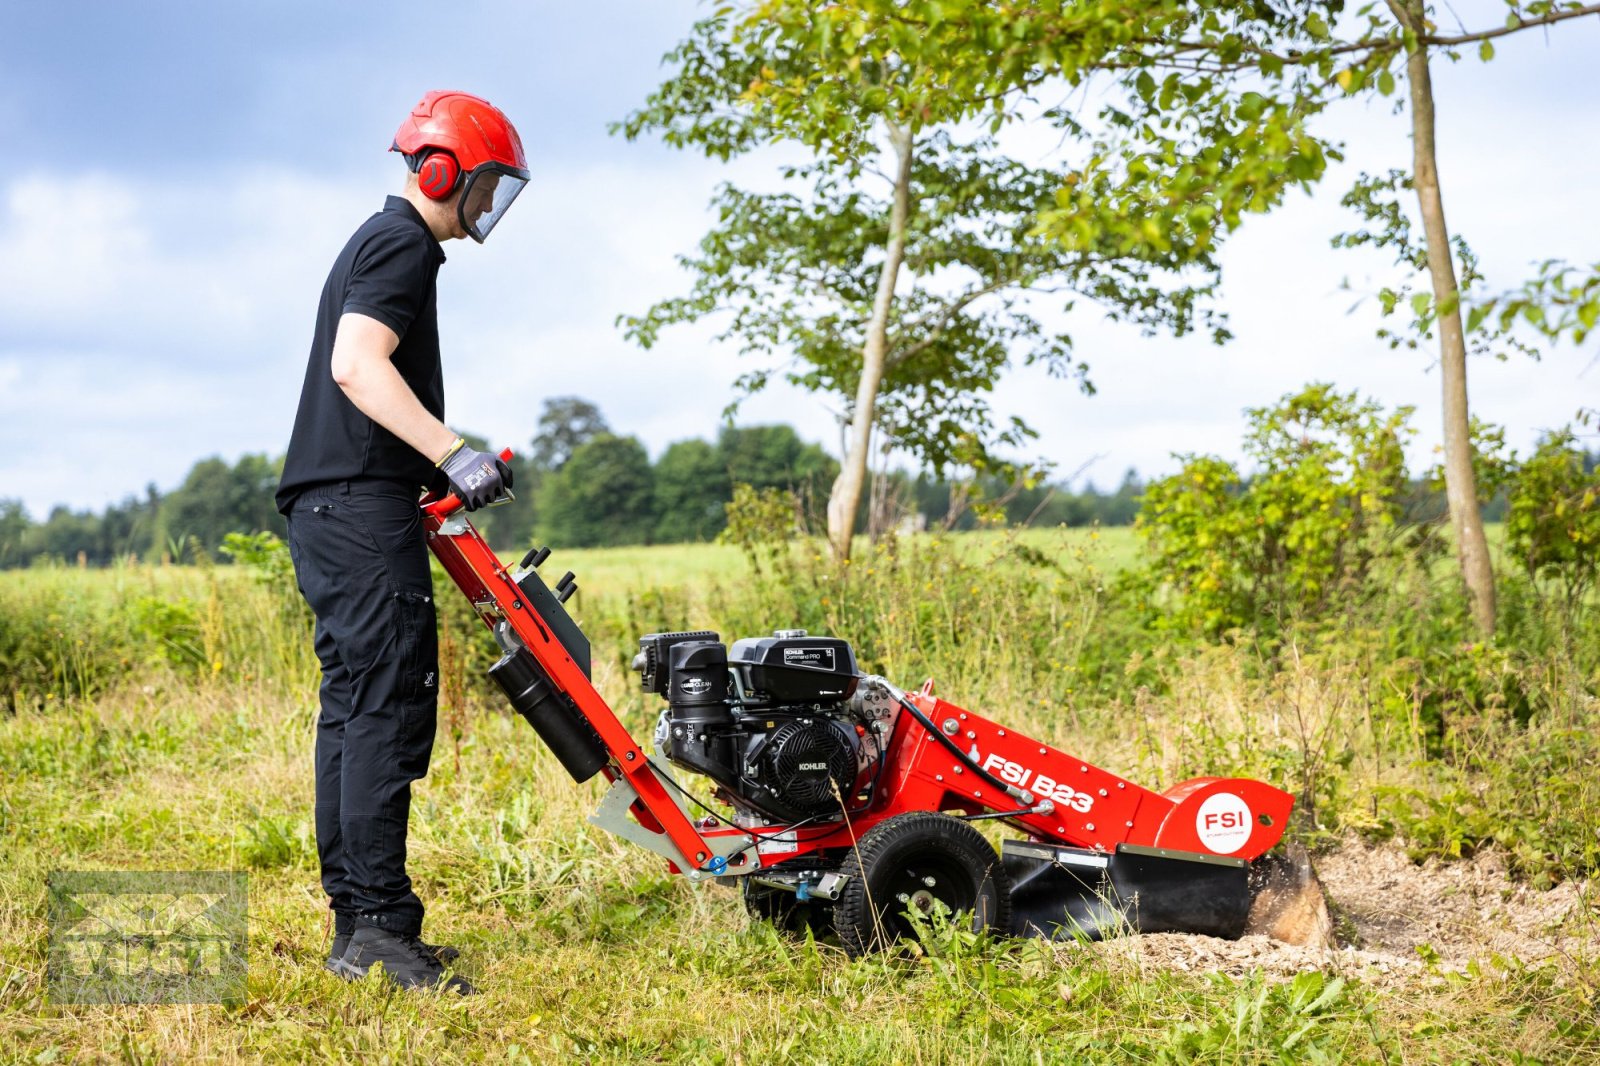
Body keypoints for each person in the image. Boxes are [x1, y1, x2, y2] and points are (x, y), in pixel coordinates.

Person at [274, 90, 529, 995]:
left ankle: (363, 925)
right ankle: (379, 929)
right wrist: (451, 452)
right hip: (358, 507)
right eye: (486, 184)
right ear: (441, 170)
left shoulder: (386, 244)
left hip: (331, 508)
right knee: (385, 708)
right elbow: (356, 364)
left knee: (354, 710)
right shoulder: (401, 244)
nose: (488, 206)